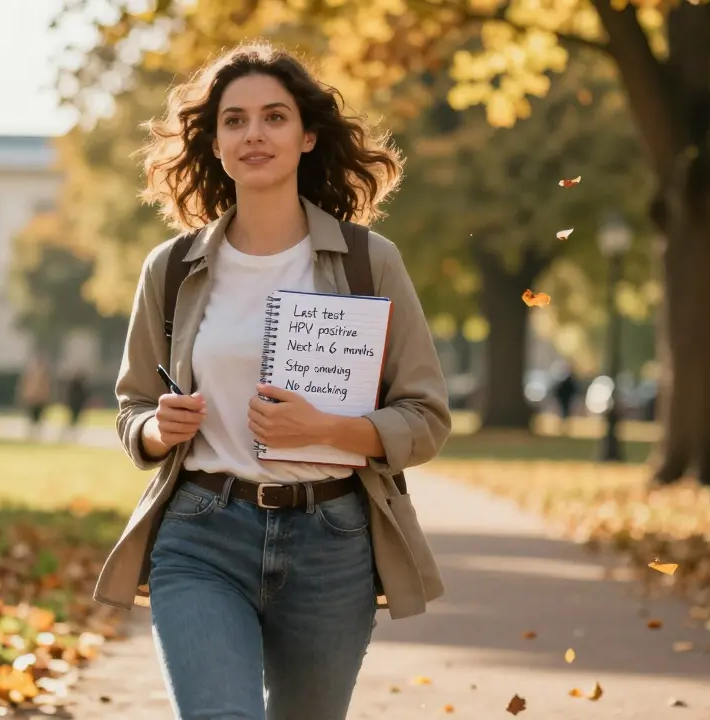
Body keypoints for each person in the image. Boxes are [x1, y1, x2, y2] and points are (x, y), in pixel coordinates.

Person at [92, 42, 452, 720]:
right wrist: (153, 427)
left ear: (307, 135)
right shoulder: (171, 268)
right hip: (201, 531)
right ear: (216, 144)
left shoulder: (369, 262)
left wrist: (328, 429)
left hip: (333, 541)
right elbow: (132, 405)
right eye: (234, 121)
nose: (254, 133)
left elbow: (426, 416)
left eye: (274, 117)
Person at [17, 355, 51, 441]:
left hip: (40, 399)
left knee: (39, 418)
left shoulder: (44, 375)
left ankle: (37, 434)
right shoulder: (31, 375)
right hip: (32, 398)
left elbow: (46, 388)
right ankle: (31, 434)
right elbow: (26, 386)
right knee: (32, 417)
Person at [64, 370, 91, 441]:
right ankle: (72, 433)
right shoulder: (75, 385)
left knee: (74, 419)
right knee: (73, 419)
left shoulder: (79, 385)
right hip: (75, 405)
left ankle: (73, 433)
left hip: (77, 405)